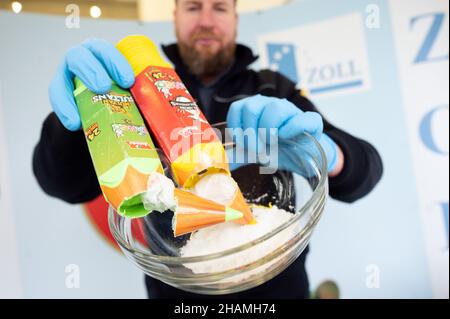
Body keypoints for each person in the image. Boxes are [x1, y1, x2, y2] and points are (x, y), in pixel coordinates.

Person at [33, 0, 383, 299]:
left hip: (278, 291)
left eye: (219, 7)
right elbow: (62, 183)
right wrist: (77, 119)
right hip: (179, 294)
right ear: (175, 15)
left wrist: (331, 154)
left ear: (235, 17)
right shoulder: (130, 92)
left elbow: (364, 173)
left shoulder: (272, 87)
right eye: (192, 6)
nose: (205, 20)